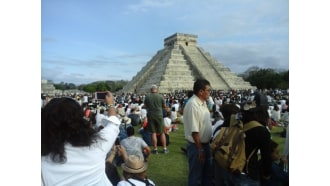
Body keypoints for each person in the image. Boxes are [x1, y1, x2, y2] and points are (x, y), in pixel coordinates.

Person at [41, 93, 120, 186]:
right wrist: (110, 104)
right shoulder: (98, 145)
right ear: (81, 120)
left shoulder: (42, 160)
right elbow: (113, 124)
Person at [233, 92, 272, 185]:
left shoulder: (236, 121)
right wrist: (267, 174)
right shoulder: (261, 131)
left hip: (230, 168)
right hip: (247, 173)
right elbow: (266, 157)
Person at [183, 79, 213, 186]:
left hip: (204, 144)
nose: (210, 92)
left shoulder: (202, 103)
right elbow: (194, 130)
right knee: (196, 177)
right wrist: (200, 149)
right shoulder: (193, 105)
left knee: (206, 175)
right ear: (201, 91)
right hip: (197, 146)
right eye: (208, 90)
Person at [144, 84, 169, 154]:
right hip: (159, 115)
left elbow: (145, 106)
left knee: (153, 133)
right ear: (156, 89)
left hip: (151, 115)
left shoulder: (147, 97)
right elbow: (164, 106)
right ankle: (164, 148)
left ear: (151, 89)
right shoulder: (160, 96)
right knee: (162, 132)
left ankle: (155, 149)